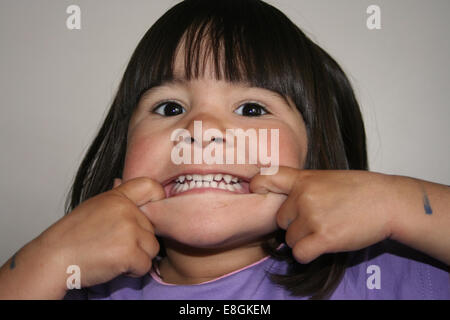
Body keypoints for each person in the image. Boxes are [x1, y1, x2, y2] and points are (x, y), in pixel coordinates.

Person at [0, 0, 448, 300]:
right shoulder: (77, 286)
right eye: (169, 106)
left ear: (319, 164)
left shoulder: (386, 276)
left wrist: (400, 204)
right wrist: (49, 259)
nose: (200, 128)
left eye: (252, 108)